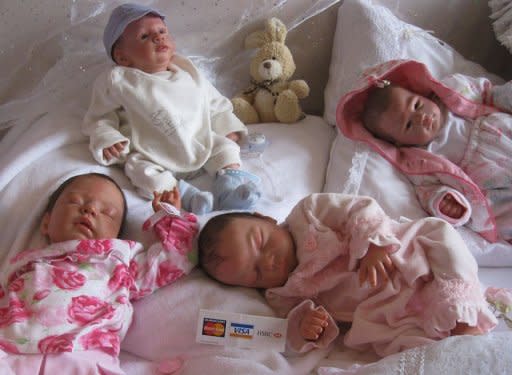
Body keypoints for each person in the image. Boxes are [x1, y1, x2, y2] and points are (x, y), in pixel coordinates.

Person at [197, 193, 497, 357]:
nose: (270, 262)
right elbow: (292, 327)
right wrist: (306, 326)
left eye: (261, 243)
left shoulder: (308, 212)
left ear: (265, 218)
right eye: (256, 273)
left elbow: (359, 209)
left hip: (404, 259)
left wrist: (373, 245)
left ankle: (462, 318)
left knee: (444, 246)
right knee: (395, 342)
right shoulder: (280, 294)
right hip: (383, 311)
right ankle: (453, 353)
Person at [0, 173, 197, 373]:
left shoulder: (118, 259)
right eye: (74, 202)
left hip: (82, 355)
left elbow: (175, 259)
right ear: (46, 223)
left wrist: (171, 216)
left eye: (107, 212)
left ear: (116, 234)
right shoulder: (24, 262)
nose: (90, 209)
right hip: (9, 352)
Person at [82, 3, 261, 215]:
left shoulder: (187, 70)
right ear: (122, 57)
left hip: (197, 139)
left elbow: (213, 102)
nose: (158, 38)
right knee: (140, 171)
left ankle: (230, 187)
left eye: (161, 31)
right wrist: (108, 138)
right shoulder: (117, 80)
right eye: (144, 37)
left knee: (225, 147)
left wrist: (227, 127)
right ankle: (186, 196)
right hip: (152, 151)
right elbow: (100, 117)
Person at [337, 59, 512, 244]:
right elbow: (428, 191)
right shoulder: (418, 163)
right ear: (399, 142)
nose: (421, 117)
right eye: (409, 125)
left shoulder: (453, 91)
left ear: (420, 94)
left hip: (502, 133)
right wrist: (445, 202)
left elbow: (489, 93)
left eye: (417, 105)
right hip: (492, 186)